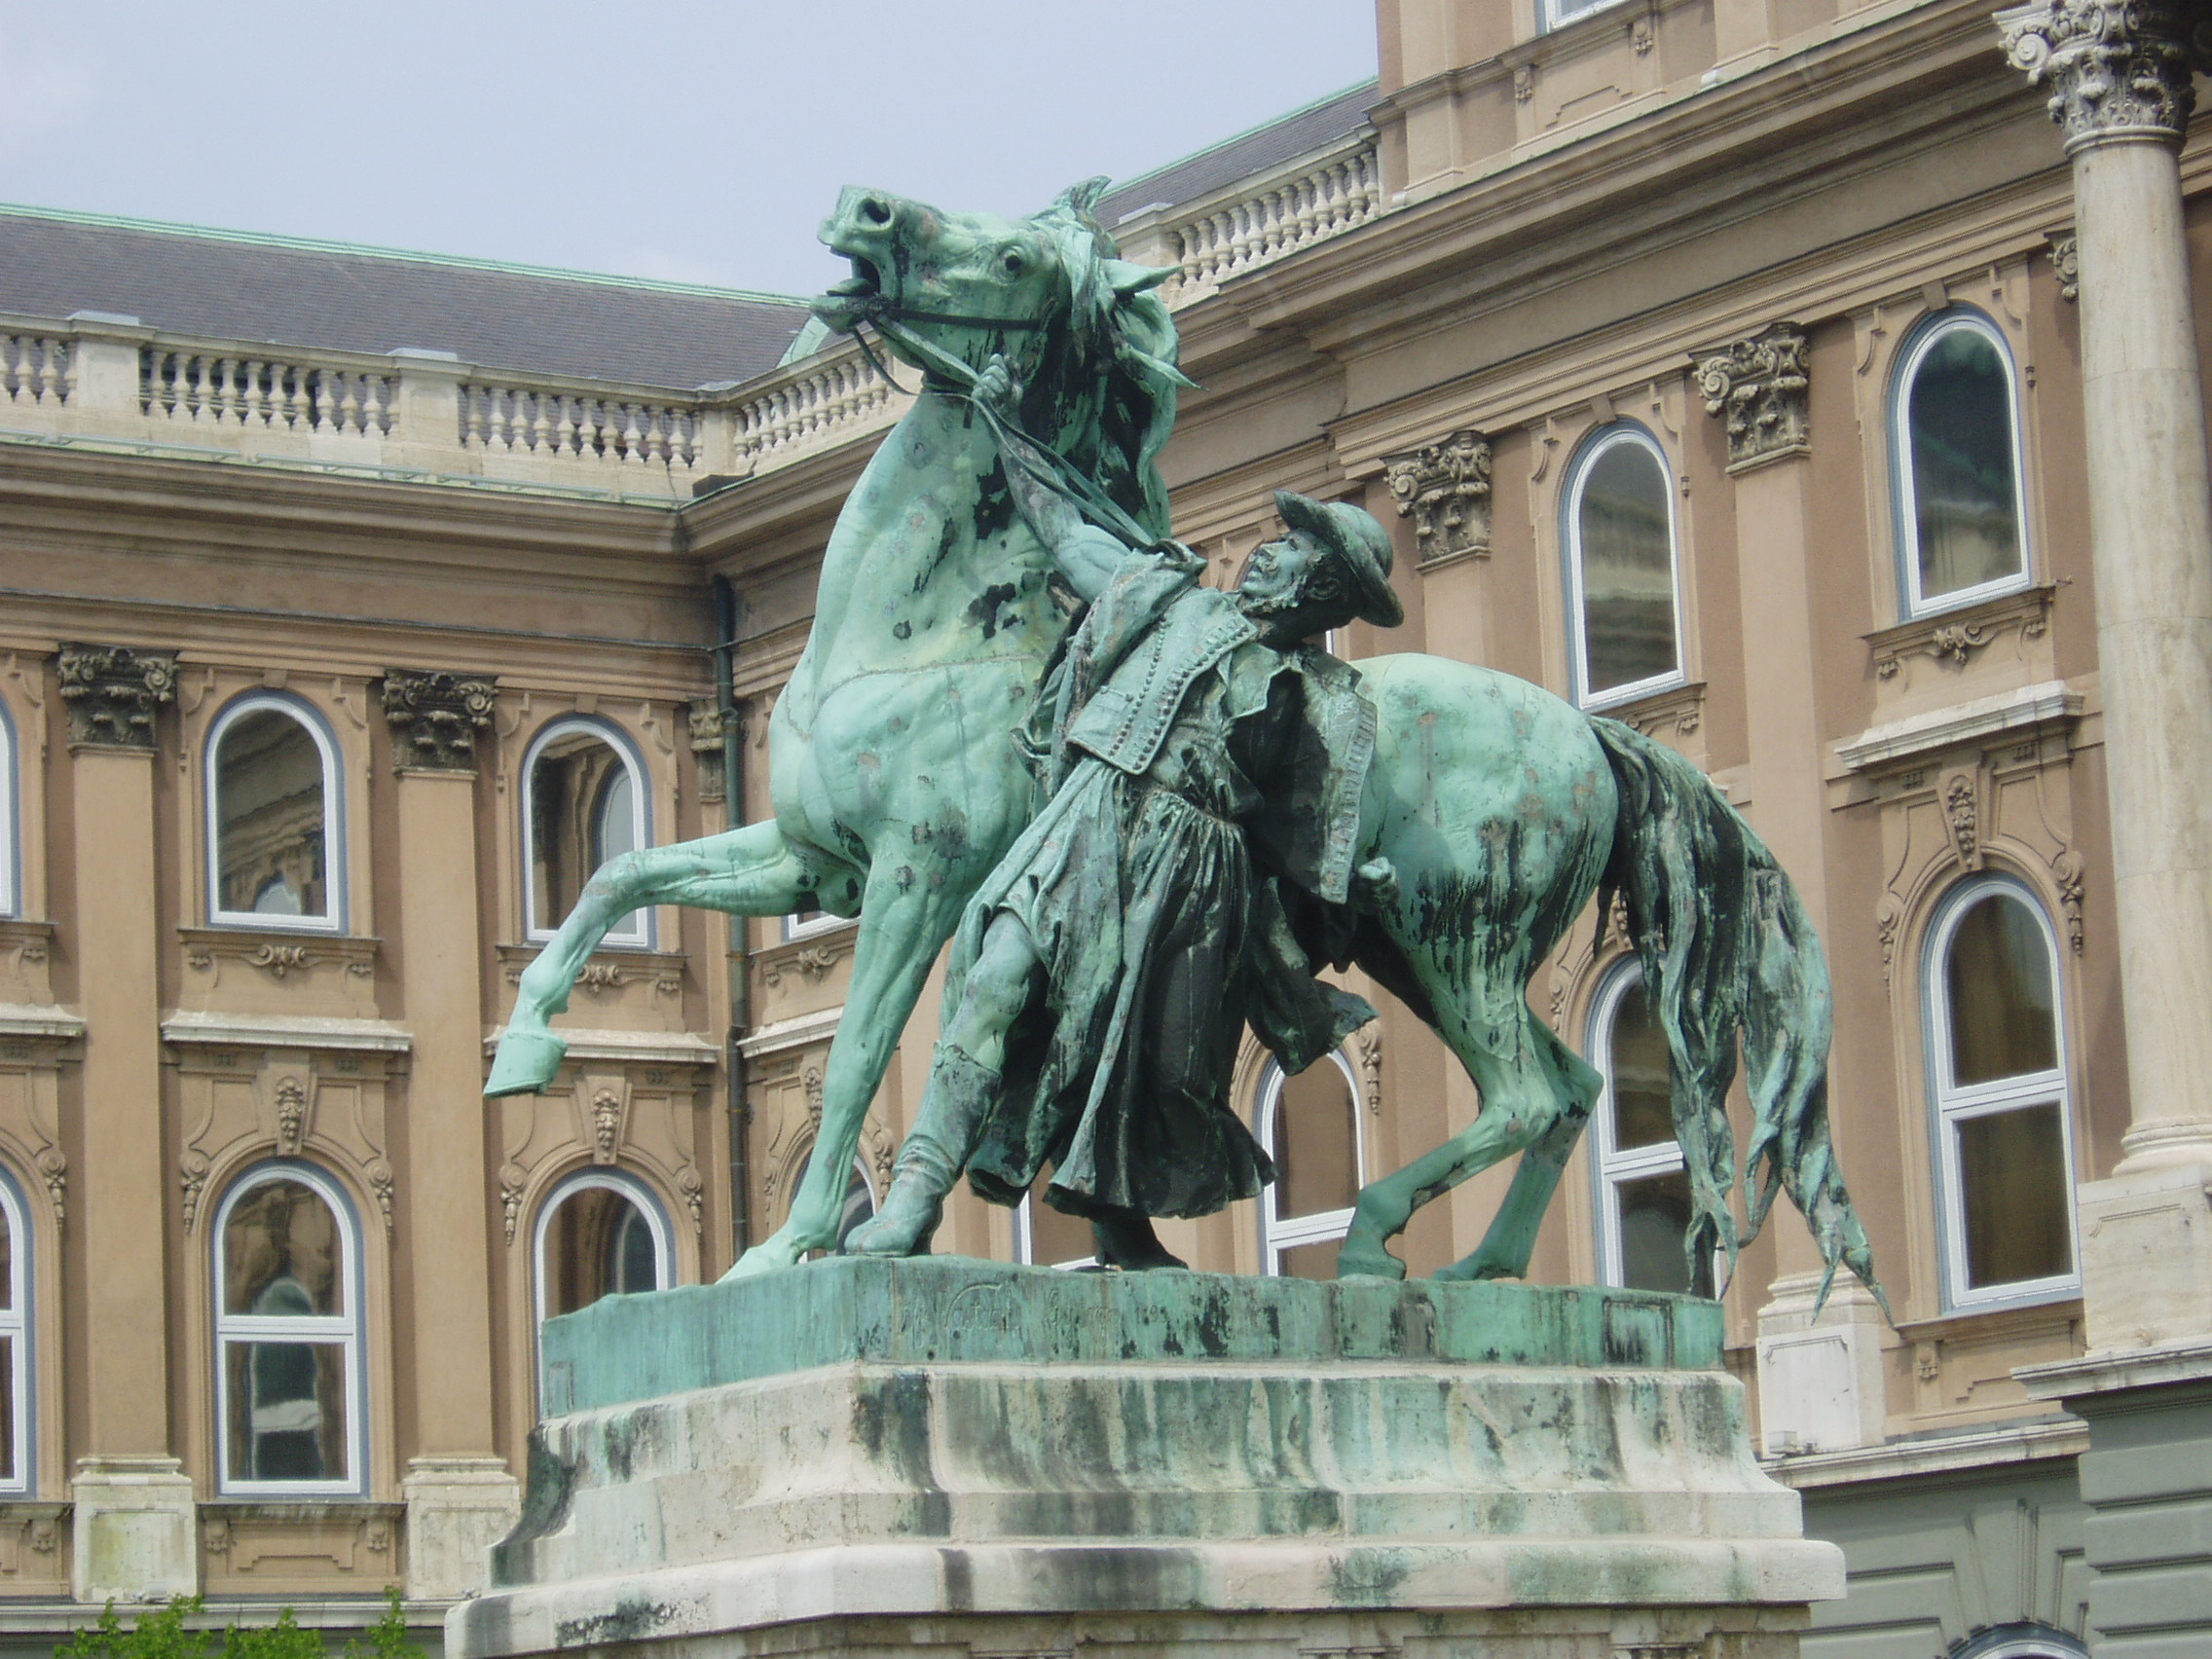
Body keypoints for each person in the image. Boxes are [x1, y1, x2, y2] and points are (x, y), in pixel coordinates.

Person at [846, 360, 1404, 1267]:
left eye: (1298, 549)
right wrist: (1005, 427)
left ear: (1325, 591)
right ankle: (914, 1198)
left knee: (1142, 1066)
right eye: (1281, 538)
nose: (1269, 551)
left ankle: (1122, 1228)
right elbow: (1064, 530)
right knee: (996, 981)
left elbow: (1301, 849)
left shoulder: (1314, 703)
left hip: (1193, 874)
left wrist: (1347, 895)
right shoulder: (1163, 593)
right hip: (1086, 820)